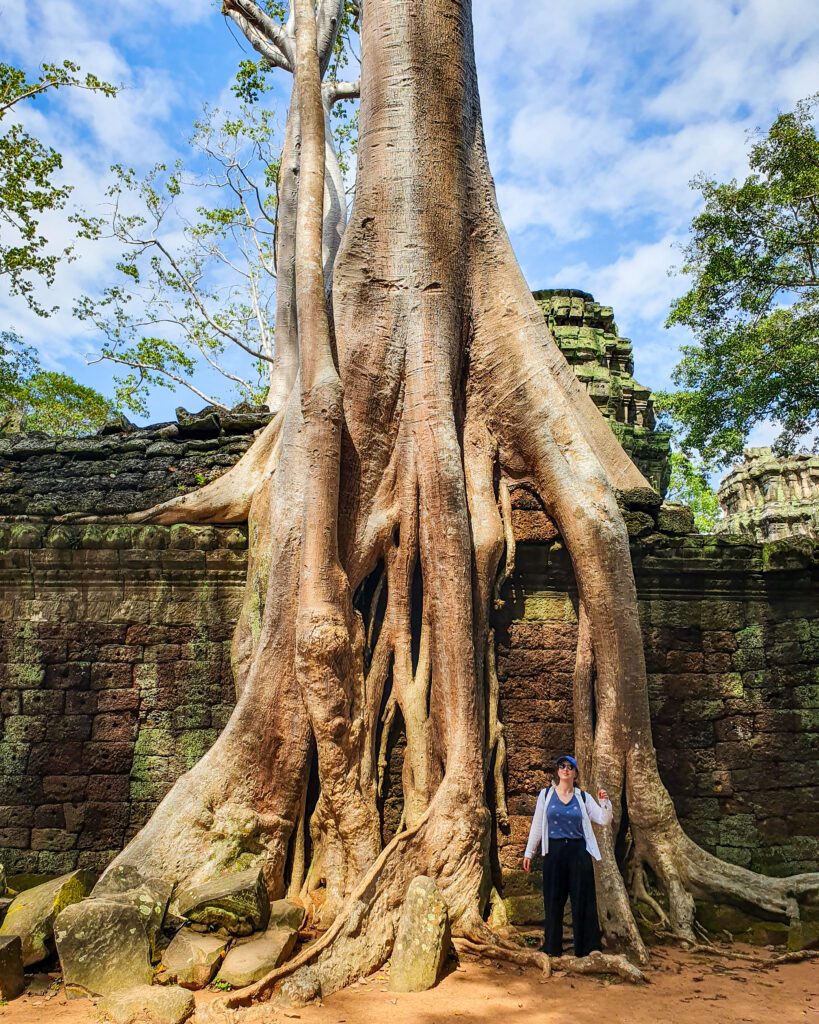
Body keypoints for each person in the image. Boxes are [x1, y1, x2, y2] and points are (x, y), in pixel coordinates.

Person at [522, 754, 612, 957]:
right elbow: (537, 825)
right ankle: (552, 948)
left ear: (575, 773)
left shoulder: (582, 797)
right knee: (553, 899)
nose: (565, 769)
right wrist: (529, 852)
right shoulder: (546, 796)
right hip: (553, 852)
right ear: (557, 771)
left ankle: (588, 948)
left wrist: (605, 803)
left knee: (582, 898)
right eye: (562, 766)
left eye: (570, 767)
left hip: (578, 852)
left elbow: (603, 820)